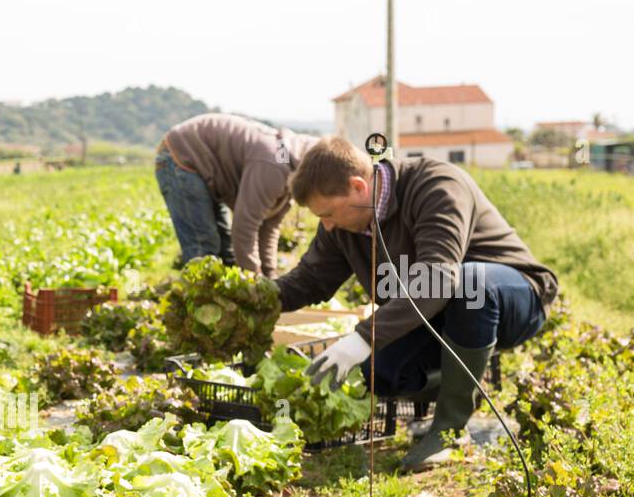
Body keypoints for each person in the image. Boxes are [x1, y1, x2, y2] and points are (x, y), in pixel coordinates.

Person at [276, 137, 557, 469]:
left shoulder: (436, 184)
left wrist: (365, 336)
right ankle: (465, 383)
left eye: (328, 213)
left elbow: (439, 278)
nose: (326, 224)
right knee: (379, 373)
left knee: (469, 284)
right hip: (437, 313)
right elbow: (308, 281)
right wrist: (255, 298)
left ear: (357, 186)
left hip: (513, 297)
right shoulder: (343, 225)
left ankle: (450, 431)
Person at [156, 113, 317, 276]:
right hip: (182, 156)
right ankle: (198, 298)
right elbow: (245, 225)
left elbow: (269, 226)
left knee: (227, 252)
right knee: (204, 248)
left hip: (209, 171)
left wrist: (270, 273)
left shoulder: (290, 173)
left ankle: (218, 297)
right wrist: (254, 280)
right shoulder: (274, 165)